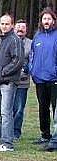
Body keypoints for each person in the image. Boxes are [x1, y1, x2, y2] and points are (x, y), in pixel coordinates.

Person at [0, 14, 24, 153]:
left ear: (12, 25)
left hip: (8, 82)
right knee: (0, 113)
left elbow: (18, 60)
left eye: (7, 24)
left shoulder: (14, 40)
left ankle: (8, 143)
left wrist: (4, 72)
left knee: (6, 112)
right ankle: (1, 140)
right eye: (2, 23)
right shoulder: (1, 40)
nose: (4, 26)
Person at [28, 8, 57, 145]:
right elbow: (32, 56)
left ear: (53, 21)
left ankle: (55, 137)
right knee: (43, 108)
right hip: (39, 79)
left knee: (55, 110)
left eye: (49, 19)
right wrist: (32, 70)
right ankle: (45, 135)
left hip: (54, 79)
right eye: (44, 19)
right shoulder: (37, 36)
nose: (46, 21)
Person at [12, 19, 32, 140]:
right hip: (8, 81)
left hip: (22, 82)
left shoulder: (31, 43)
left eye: (23, 27)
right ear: (14, 28)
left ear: (26, 30)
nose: (20, 29)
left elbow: (34, 60)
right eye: (18, 26)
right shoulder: (8, 41)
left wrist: (26, 68)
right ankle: (1, 130)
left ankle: (16, 132)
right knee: (5, 108)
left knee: (19, 109)